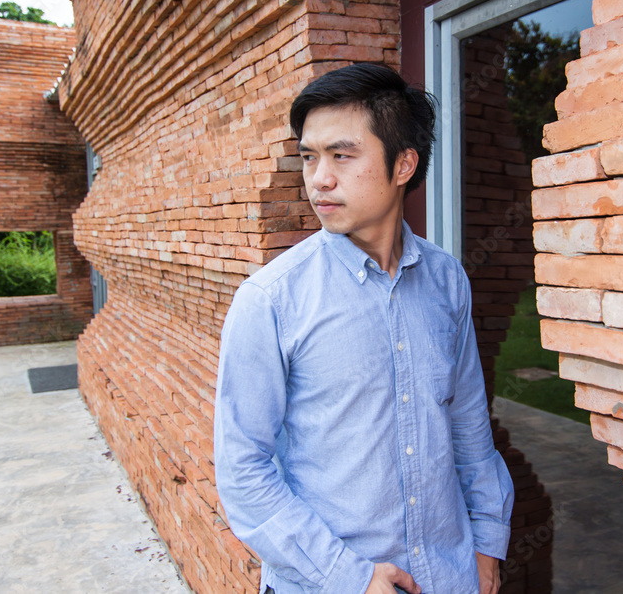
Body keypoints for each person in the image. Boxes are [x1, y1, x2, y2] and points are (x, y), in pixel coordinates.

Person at [214, 63, 514, 594]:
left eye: (342, 155)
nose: (319, 179)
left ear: (403, 164)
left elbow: (468, 427)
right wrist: (347, 577)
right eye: (310, 156)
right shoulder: (271, 301)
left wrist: (488, 543)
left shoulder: (446, 280)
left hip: (448, 574)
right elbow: (243, 471)